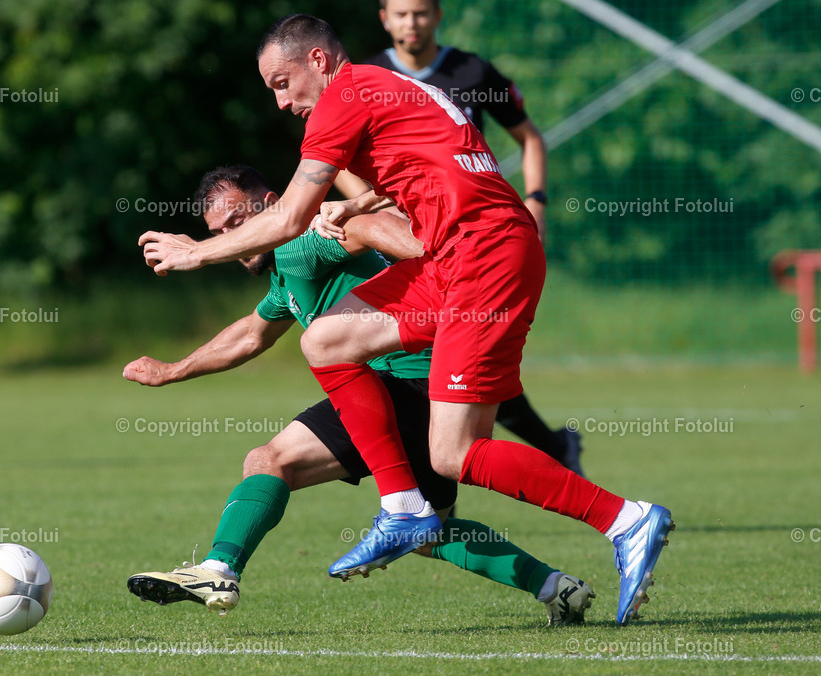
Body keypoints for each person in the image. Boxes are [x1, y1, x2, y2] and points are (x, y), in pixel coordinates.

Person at [138, 14, 672, 625]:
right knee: (328, 340)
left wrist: (194, 251)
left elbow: (288, 219)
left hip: (482, 253)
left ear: (318, 59)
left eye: (282, 83)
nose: (282, 102)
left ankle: (625, 519)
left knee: (457, 454)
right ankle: (405, 509)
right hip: (463, 252)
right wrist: (359, 200)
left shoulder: (342, 98)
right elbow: (429, 166)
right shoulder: (379, 87)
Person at [124, 166, 595, 625]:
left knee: (270, 461)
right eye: (218, 230)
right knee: (431, 532)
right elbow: (251, 334)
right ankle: (557, 588)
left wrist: (432, 258)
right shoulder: (287, 272)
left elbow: (368, 226)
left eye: (237, 223)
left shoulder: (306, 244)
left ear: (270, 205)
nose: (231, 236)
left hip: (399, 385)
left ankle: (218, 570)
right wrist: (171, 371)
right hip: (424, 388)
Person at [338, 0, 579, 474]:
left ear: (438, 15)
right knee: (450, 355)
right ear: (385, 19)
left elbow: (530, 137)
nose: (413, 24)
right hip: (405, 234)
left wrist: (536, 199)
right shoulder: (368, 79)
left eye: (422, 13)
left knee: (462, 355)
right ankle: (426, 486)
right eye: (402, 14)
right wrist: (368, 206)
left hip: (470, 235)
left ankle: (419, 495)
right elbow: (336, 159)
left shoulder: (472, 73)